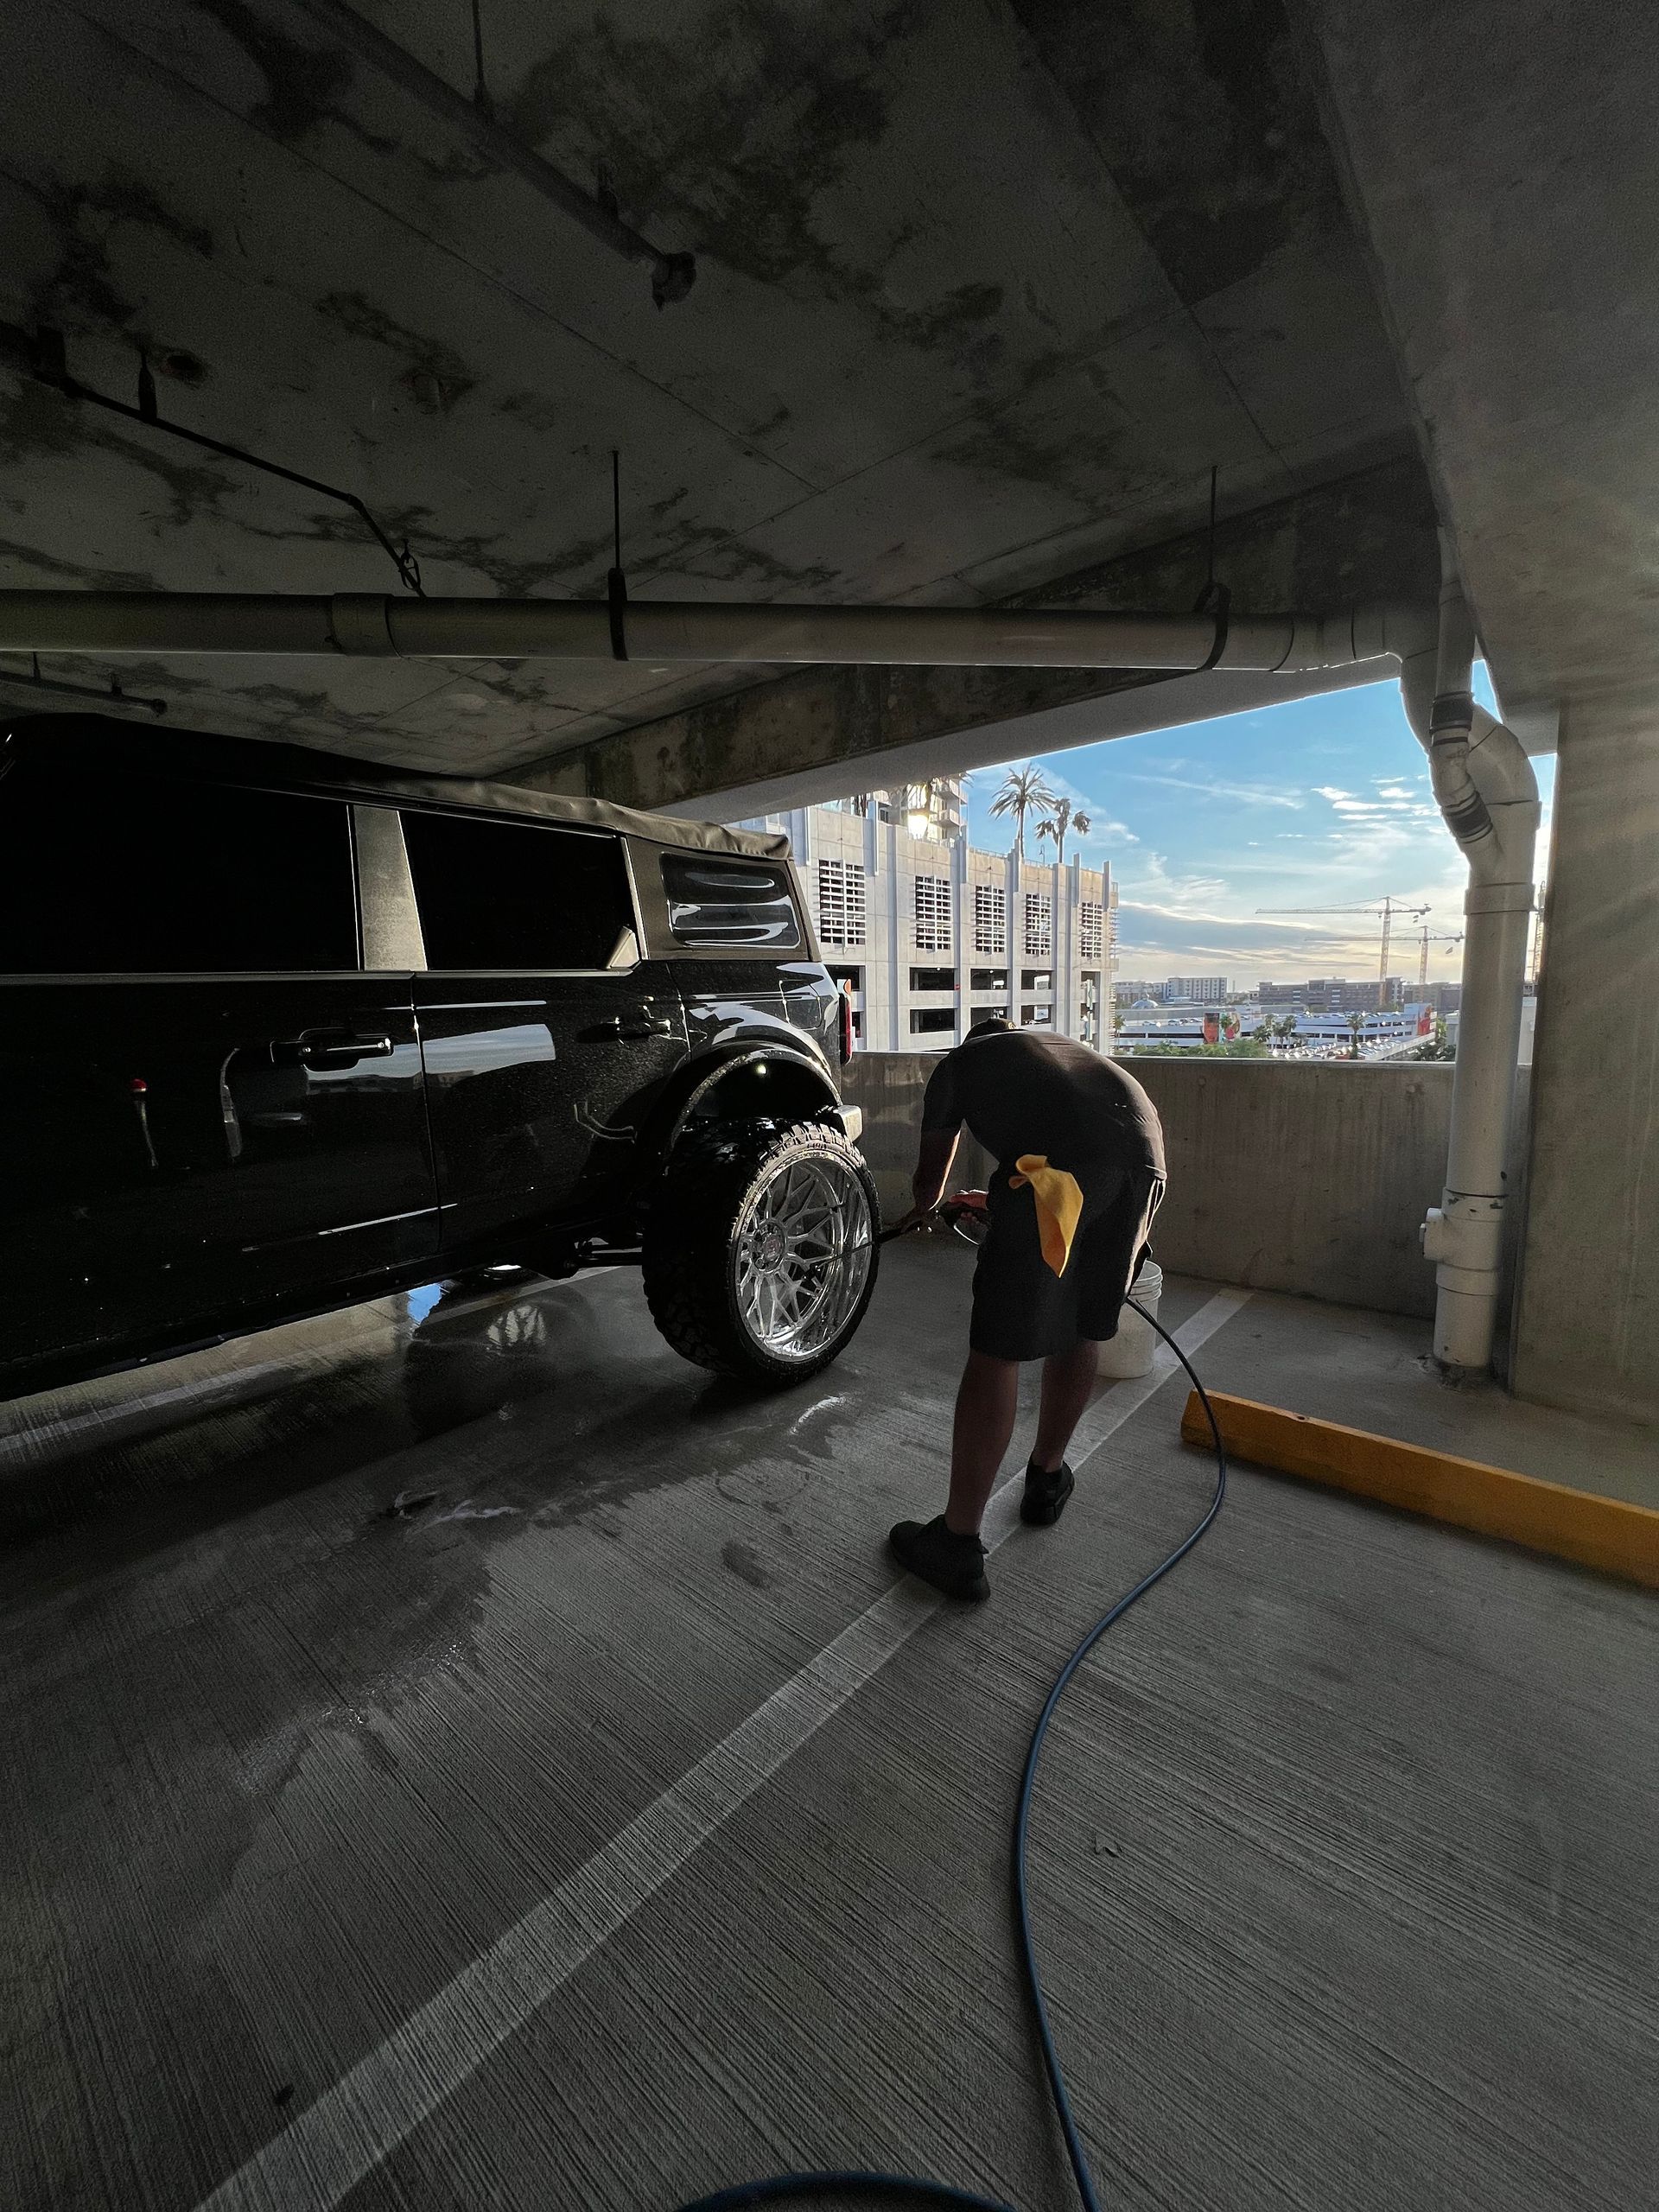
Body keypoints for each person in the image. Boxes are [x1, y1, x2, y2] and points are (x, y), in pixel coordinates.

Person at [887, 1017, 1166, 1601]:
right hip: (1142, 1167)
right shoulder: (1057, 1055)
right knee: (1082, 1327)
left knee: (997, 1350)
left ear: (972, 1040)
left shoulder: (961, 1062)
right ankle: (1046, 1478)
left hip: (1059, 1171)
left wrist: (922, 1207)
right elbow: (1082, 1171)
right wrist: (1000, 1206)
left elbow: (932, 1167)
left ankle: (957, 1543)